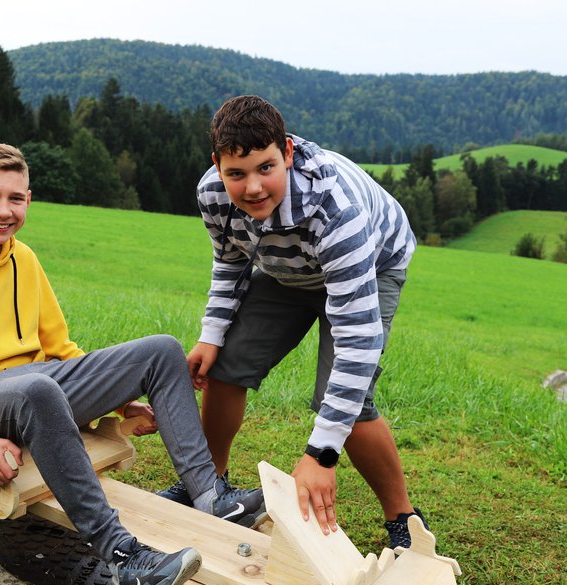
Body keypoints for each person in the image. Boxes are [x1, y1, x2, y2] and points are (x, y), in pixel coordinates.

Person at [0, 143, 266, 585]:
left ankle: (210, 496)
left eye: (16, 199)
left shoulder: (23, 259)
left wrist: (116, 401)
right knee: (39, 388)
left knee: (162, 350)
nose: (3, 211)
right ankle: (125, 560)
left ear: (29, 201)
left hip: (37, 384)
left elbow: (62, 349)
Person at [165, 95, 427, 550]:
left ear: (287, 152)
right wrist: (211, 335)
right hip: (287, 268)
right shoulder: (212, 195)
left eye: (266, 167)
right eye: (236, 174)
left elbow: (358, 344)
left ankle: (403, 518)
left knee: (346, 394)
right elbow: (230, 262)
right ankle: (206, 488)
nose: (252, 188)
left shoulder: (335, 209)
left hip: (370, 265)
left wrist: (321, 454)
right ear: (218, 166)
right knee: (226, 363)